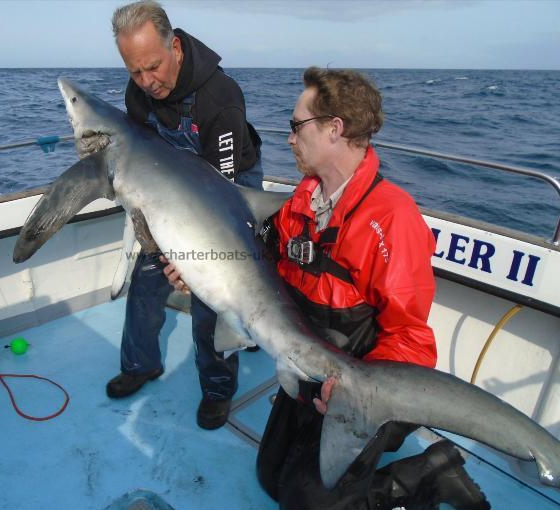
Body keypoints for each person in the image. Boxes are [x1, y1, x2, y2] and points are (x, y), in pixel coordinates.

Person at [163, 67, 489, 508]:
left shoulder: (391, 219)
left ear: (335, 129)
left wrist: (354, 395)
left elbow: (411, 339)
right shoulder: (301, 201)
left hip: (367, 384)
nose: (289, 138)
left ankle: (429, 472)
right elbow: (254, 276)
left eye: (296, 126)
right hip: (307, 367)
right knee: (270, 478)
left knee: (305, 504)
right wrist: (198, 270)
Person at [105, 1, 264, 431]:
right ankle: (141, 364)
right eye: (134, 71)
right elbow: (142, 159)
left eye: (153, 67)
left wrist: (194, 264)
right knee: (147, 276)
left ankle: (217, 388)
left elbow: (224, 201)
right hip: (173, 193)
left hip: (231, 188)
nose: (146, 82)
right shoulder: (136, 91)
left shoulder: (220, 98)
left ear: (174, 46)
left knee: (214, 291)